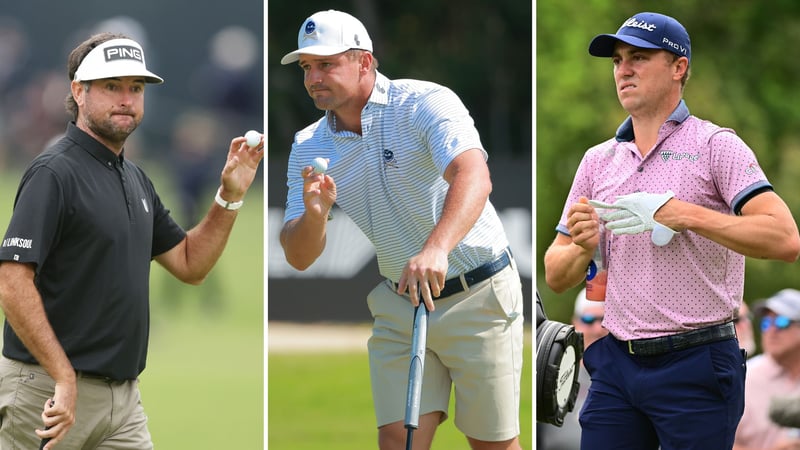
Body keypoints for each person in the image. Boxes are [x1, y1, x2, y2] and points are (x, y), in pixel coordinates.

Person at [543, 11, 800, 450]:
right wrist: (582, 248)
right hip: (617, 363)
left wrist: (682, 214)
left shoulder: (715, 145)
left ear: (678, 67)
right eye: (618, 60)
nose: (624, 69)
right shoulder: (597, 161)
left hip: (697, 361)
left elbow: (785, 239)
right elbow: (556, 272)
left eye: (639, 57)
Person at [0, 32, 263, 449]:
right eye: (111, 87)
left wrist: (229, 195)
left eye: (135, 88)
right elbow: (12, 281)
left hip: (122, 404)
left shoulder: (135, 178)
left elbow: (191, 263)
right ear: (78, 92)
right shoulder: (53, 172)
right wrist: (63, 376)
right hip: (46, 392)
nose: (126, 98)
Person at [278, 10, 524, 450]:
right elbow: (298, 256)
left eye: (326, 64)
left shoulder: (425, 102)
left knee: (492, 444)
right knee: (397, 440)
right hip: (401, 302)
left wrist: (437, 248)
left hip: (479, 295)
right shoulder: (308, 145)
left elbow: (474, 176)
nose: (314, 77)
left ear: (364, 63)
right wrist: (315, 216)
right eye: (306, 67)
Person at [537, 288, 607, 449]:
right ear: (575, 323)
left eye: (603, 320)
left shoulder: (627, 379)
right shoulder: (552, 376)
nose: (597, 329)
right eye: (589, 319)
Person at [734, 289, 800, 450]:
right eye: (766, 323)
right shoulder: (743, 378)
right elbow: (714, 444)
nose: (771, 330)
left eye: (781, 322)